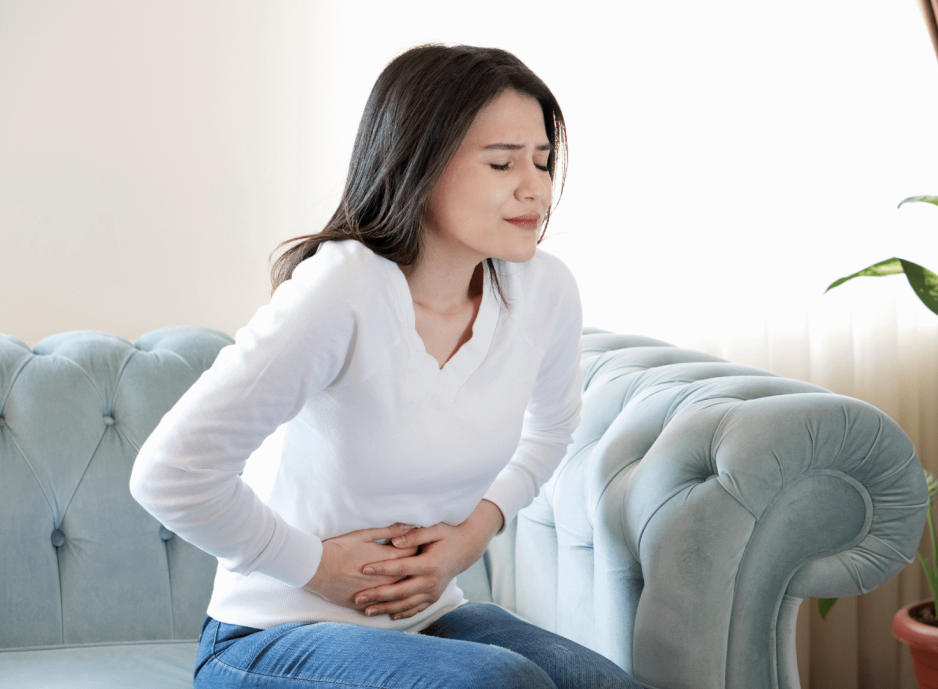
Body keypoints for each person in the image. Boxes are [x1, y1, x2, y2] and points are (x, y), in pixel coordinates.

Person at [130, 44, 642, 689]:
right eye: (502, 162)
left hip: (426, 622)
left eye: (542, 161)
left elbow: (550, 430)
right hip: (268, 637)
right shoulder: (342, 289)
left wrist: (471, 536)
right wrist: (316, 567)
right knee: (499, 685)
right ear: (419, 164)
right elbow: (170, 473)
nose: (534, 187)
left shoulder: (543, 290)